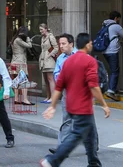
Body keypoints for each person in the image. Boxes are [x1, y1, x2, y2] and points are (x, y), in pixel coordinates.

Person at [40, 33, 110, 167]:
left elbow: (59, 86)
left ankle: (94, 163)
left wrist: (52, 106)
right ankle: (52, 160)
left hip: (71, 105)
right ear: (88, 44)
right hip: (83, 107)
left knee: (89, 135)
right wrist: (104, 105)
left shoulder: (68, 61)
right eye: (91, 43)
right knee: (76, 135)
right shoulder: (89, 61)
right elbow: (94, 86)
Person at [49, 33, 77, 155]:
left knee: (86, 121)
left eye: (64, 43)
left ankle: (92, 144)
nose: (61, 46)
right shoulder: (60, 58)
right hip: (67, 91)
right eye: (60, 44)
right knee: (66, 119)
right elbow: (56, 73)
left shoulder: (80, 56)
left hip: (81, 92)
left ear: (71, 44)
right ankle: (62, 147)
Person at [101, 11, 123, 101]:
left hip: (105, 51)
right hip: (112, 52)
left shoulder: (105, 25)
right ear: (116, 18)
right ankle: (111, 91)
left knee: (112, 70)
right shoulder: (116, 26)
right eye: (119, 18)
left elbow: (111, 38)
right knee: (115, 71)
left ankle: (113, 88)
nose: (119, 20)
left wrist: (119, 43)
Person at [10, 26, 34, 105]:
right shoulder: (18, 40)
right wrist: (28, 39)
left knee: (16, 80)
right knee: (24, 80)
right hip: (20, 62)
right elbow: (29, 46)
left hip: (14, 61)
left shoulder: (14, 39)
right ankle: (25, 99)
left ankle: (16, 99)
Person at [39, 24, 59, 104]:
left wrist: (50, 55)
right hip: (43, 60)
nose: (40, 31)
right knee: (46, 80)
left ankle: (53, 97)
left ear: (46, 29)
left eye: (41, 29)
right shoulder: (42, 38)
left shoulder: (51, 37)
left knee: (50, 79)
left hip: (49, 60)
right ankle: (48, 96)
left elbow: (56, 48)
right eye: (40, 30)